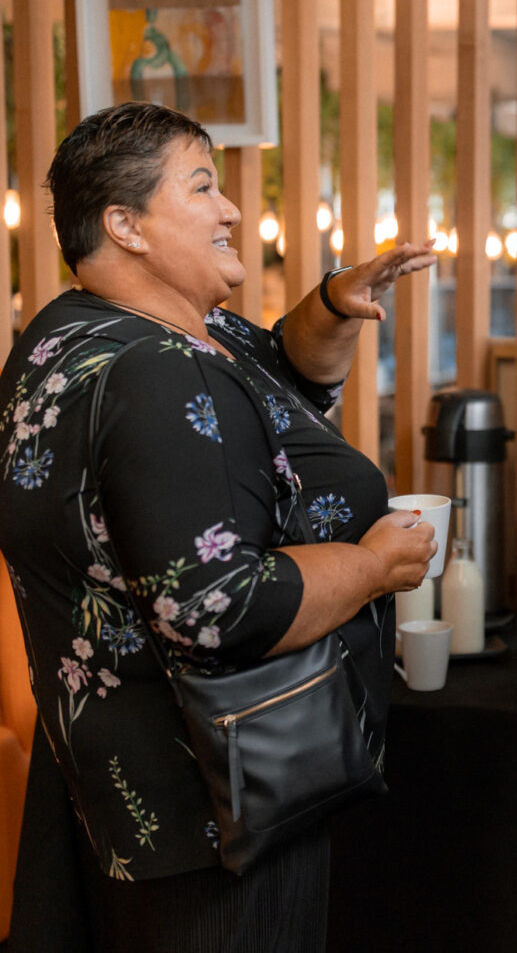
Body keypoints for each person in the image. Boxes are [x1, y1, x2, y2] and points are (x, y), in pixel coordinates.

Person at [0, 101, 437, 952]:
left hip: (119, 779)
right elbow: (217, 611)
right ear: (125, 225)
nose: (232, 208)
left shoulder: (75, 333)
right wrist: (374, 563)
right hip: (217, 795)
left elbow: (277, 385)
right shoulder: (156, 375)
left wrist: (333, 308)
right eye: (202, 187)